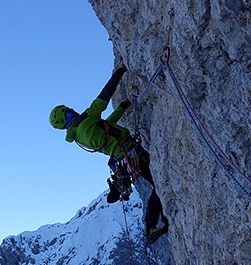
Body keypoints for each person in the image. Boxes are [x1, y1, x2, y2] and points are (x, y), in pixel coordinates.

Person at [49, 64, 169, 243]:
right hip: (130, 151)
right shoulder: (85, 120)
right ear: (64, 117)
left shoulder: (79, 135)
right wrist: (119, 72)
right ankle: (150, 224)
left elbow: (107, 125)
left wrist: (122, 106)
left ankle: (156, 220)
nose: (71, 110)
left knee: (157, 182)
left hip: (122, 158)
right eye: (66, 111)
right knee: (159, 183)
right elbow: (103, 97)